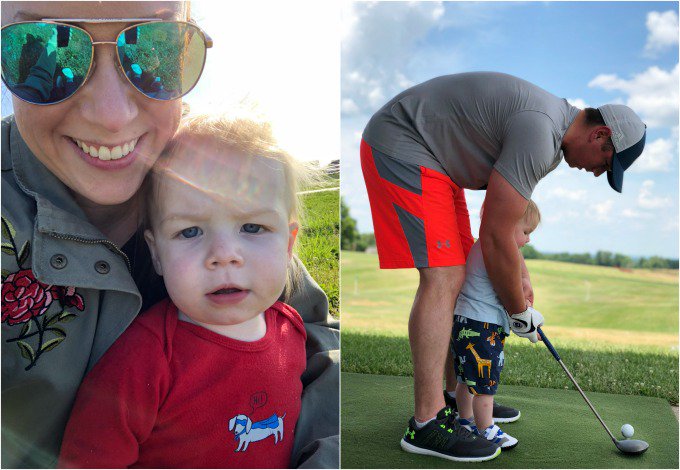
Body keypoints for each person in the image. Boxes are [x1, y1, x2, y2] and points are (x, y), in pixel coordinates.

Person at [1, 2, 338, 468]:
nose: (111, 115)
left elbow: (313, 337)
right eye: (45, 50)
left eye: (155, 49)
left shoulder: (207, 168)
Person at [360, 71, 646, 462]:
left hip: (437, 164)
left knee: (458, 272)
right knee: (444, 276)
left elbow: (504, 229)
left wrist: (521, 286)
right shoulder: (542, 133)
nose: (598, 173)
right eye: (606, 163)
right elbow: (494, 235)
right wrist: (518, 313)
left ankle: (456, 400)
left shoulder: (550, 132)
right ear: (600, 135)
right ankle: (426, 423)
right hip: (403, 143)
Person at [58, 114, 308, 468]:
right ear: (157, 253)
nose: (223, 255)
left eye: (252, 226)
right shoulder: (140, 363)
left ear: (288, 244)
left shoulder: (294, 332)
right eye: (190, 232)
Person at [450, 200, 542, 451]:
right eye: (526, 232)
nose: (528, 240)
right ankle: (485, 429)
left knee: (465, 378)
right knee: (484, 385)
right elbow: (510, 296)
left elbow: (518, 277)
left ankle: (466, 421)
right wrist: (528, 320)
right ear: (509, 224)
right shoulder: (498, 251)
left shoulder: (486, 246)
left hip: (465, 321)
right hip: (482, 326)